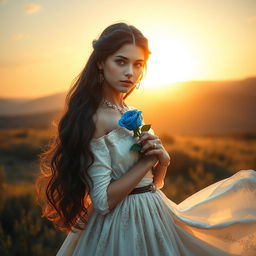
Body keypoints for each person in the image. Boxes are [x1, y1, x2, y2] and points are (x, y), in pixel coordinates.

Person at [36, 22, 256, 256]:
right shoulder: (94, 119)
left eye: (137, 64)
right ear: (100, 62)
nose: (130, 72)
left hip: (155, 212)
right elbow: (101, 202)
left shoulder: (131, 112)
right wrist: (145, 162)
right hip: (121, 226)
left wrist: (163, 160)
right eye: (121, 61)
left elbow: (155, 183)